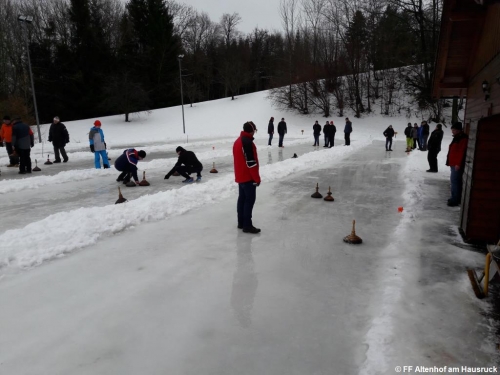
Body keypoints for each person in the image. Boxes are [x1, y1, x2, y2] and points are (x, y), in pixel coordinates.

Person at [233, 121, 261, 234]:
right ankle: (247, 225)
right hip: (248, 177)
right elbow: (251, 163)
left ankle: (241, 222)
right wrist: (256, 178)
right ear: (252, 130)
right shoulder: (247, 142)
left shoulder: (237, 141)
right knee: (249, 201)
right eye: (254, 130)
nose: (254, 132)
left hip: (240, 176)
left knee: (242, 200)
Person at [446, 122, 468, 207]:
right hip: (453, 163)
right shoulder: (457, 137)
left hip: (456, 164)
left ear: (458, 130)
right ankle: (454, 197)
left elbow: (461, 151)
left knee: (455, 181)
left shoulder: (462, 138)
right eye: (452, 130)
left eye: (454, 130)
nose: (452, 131)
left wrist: (458, 164)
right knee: (454, 181)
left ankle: (455, 199)